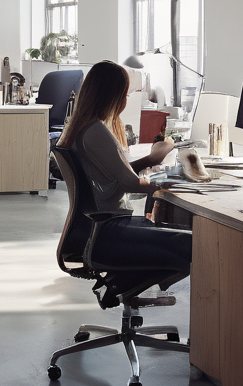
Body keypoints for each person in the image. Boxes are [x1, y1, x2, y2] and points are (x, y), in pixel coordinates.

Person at [55, 59, 191, 289]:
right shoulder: (95, 131)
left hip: (96, 228)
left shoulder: (82, 127)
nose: (126, 100)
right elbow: (130, 183)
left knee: (180, 235)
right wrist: (175, 181)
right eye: (124, 95)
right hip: (108, 232)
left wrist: (152, 160)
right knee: (191, 243)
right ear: (113, 96)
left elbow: (117, 175)